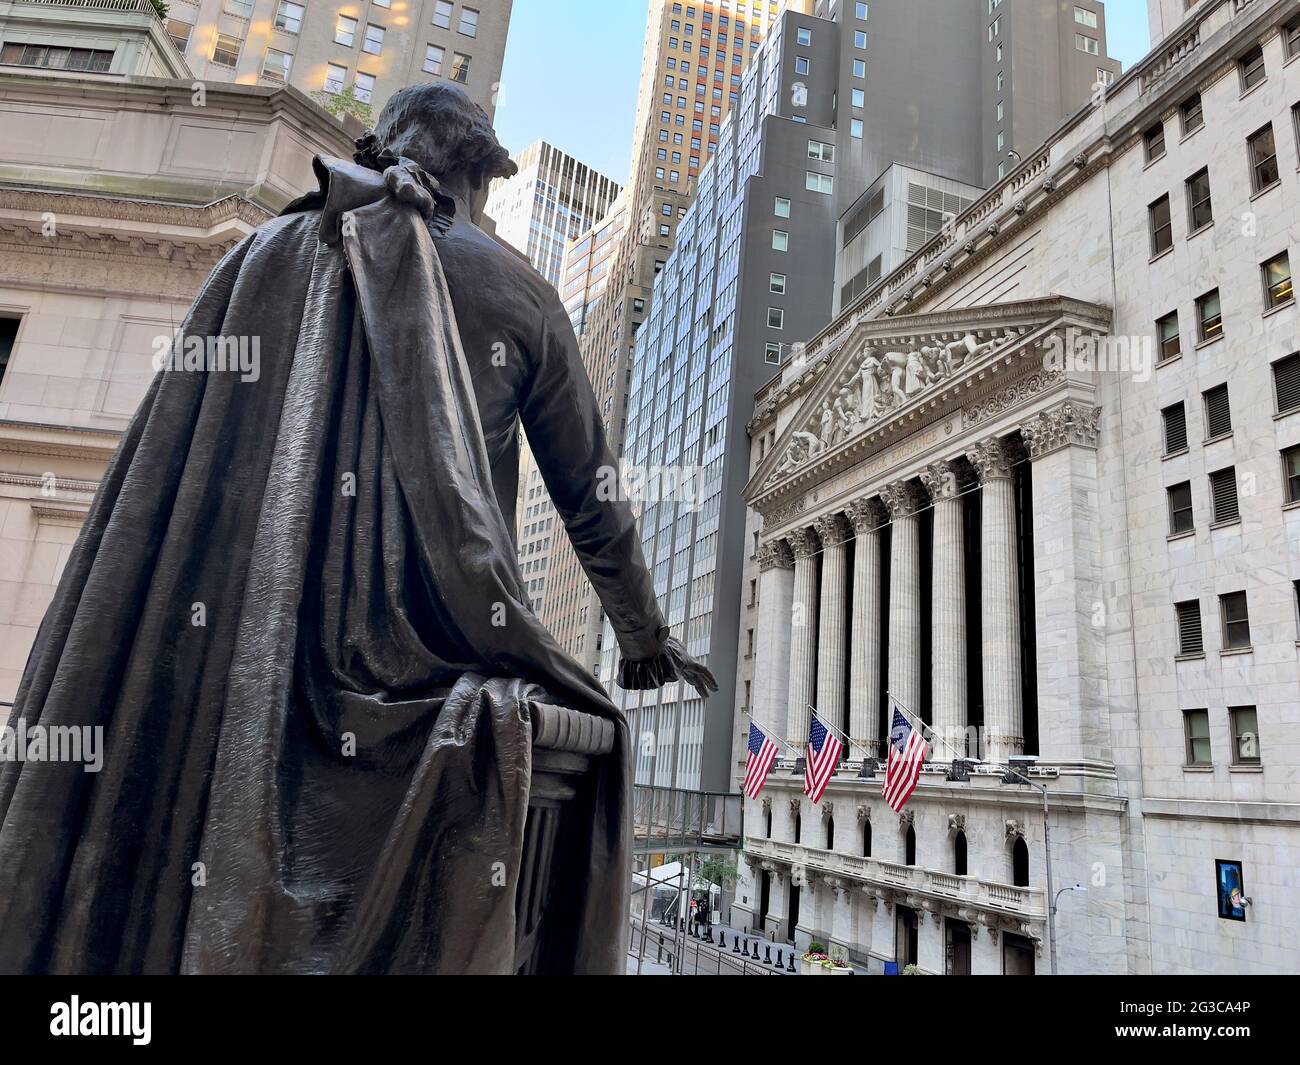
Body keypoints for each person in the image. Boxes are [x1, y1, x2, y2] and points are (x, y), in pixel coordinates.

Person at [0, 83, 714, 975]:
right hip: (435, 643)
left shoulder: (265, 253)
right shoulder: (523, 294)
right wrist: (642, 638)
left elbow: (166, 479)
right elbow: (592, 498)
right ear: (479, 175)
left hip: (238, 646)